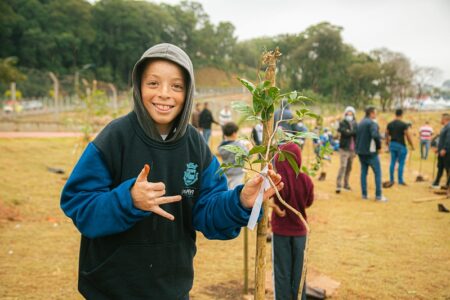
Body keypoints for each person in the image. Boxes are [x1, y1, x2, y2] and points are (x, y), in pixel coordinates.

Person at [60, 43, 283, 299]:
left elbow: (207, 211)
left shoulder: (195, 145)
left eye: (176, 86)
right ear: (138, 86)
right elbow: (79, 204)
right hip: (110, 290)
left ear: (188, 92)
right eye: (153, 83)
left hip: (172, 289)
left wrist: (241, 201)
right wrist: (128, 200)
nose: (165, 94)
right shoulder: (115, 137)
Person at [271, 142, 314, 300]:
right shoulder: (306, 180)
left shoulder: (276, 182)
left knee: (281, 272)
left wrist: (275, 208)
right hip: (300, 232)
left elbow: (268, 200)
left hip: (280, 232)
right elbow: (308, 202)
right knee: (299, 273)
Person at [356, 106, 387, 201]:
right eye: (375, 113)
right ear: (371, 113)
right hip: (371, 152)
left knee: (363, 173)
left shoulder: (360, 123)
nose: (376, 115)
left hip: (361, 152)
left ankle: (364, 195)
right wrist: (379, 147)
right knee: (377, 173)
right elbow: (374, 135)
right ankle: (378, 195)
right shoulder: (372, 123)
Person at [385, 109, 415, 186]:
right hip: (401, 145)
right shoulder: (403, 124)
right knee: (401, 163)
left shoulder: (390, 124)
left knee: (392, 162)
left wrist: (387, 143)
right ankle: (400, 180)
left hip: (392, 144)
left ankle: (392, 180)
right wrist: (411, 145)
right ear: (401, 115)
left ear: (395, 114)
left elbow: (386, 134)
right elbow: (407, 135)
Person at [218, 122, 247, 189]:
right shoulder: (238, 145)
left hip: (226, 172)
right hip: (237, 173)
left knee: (227, 190)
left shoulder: (222, 145)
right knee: (235, 192)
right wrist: (249, 147)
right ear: (234, 133)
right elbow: (248, 155)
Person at [336, 106, 357, 194]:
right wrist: (351, 132)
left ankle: (346, 183)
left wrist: (349, 132)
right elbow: (344, 132)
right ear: (345, 114)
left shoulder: (355, 123)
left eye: (351, 113)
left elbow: (356, 134)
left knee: (349, 167)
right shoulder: (343, 123)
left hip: (352, 149)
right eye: (348, 113)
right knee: (343, 166)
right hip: (344, 148)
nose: (349, 115)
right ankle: (338, 185)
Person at [431, 113, 450, 189]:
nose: (440, 120)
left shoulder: (449, 127)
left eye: (441, 118)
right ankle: (436, 182)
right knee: (440, 167)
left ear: (445, 119)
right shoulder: (444, 128)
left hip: (447, 152)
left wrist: (445, 149)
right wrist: (438, 149)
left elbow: (449, 139)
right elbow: (441, 140)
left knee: (448, 168)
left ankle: (448, 185)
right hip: (441, 152)